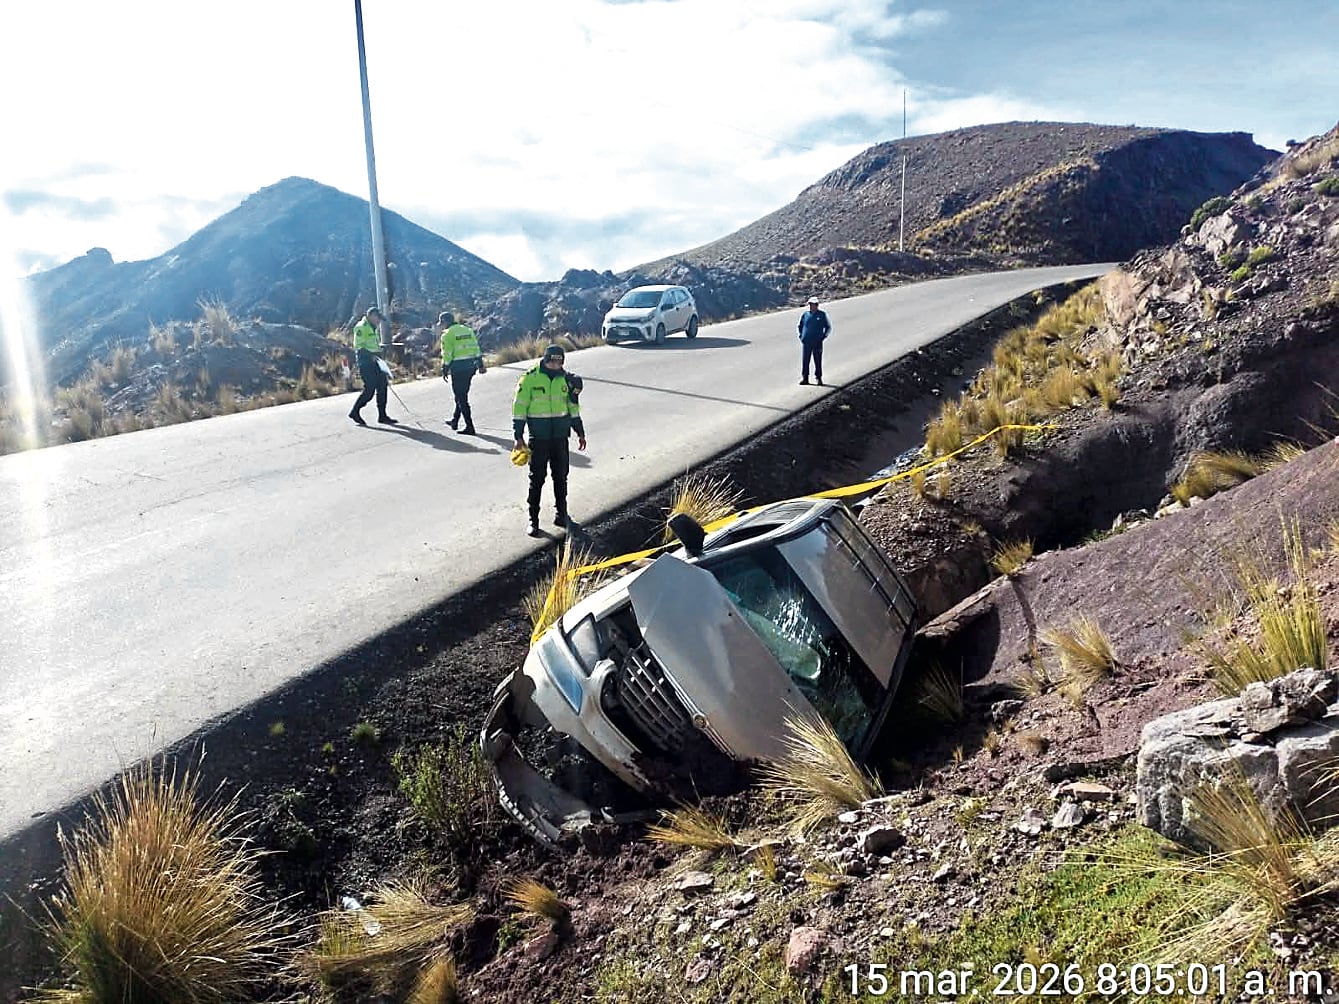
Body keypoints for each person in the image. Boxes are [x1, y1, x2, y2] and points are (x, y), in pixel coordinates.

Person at [513, 344, 586, 536]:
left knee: (561, 476)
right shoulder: (530, 378)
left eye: (559, 361)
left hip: (560, 436)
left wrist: (579, 431)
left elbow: (573, 407)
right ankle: (533, 519)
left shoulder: (568, 380)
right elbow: (519, 407)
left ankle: (561, 514)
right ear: (545, 359)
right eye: (551, 361)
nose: (555, 364)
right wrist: (518, 436)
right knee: (537, 479)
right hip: (539, 437)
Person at [347, 305, 398, 426]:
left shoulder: (372, 327)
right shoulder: (361, 327)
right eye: (377, 318)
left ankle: (382, 415)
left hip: (377, 361)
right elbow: (359, 347)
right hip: (366, 362)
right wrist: (371, 356)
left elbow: (372, 344)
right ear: (370, 316)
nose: (379, 321)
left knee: (382, 387)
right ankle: (355, 411)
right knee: (369, 389)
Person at [439, 311, 486, 434]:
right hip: (471, 367)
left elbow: (447, 354)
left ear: (445, 322)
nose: (441, 326)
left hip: (458, 368)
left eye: (441, 323)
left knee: (461, 397)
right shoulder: (467, 330)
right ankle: (455, 420)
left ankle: (469, 426)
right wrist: (480, 364)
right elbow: (476, 348)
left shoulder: (447, 334)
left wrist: (444, 369)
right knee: (461, 395)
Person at [797, 295, 831, 386]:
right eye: (810, 304)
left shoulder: (822, 315)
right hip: (806, 342)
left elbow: (828, 327)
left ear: (817, 305)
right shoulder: (805, 315)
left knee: (818, 360)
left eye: (813, 304)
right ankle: (805, 378)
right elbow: (800, 326)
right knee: (805, 360)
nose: (811, 306)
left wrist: (823, 337)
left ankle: (818, 378)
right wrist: (801, 336)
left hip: (817, 342)